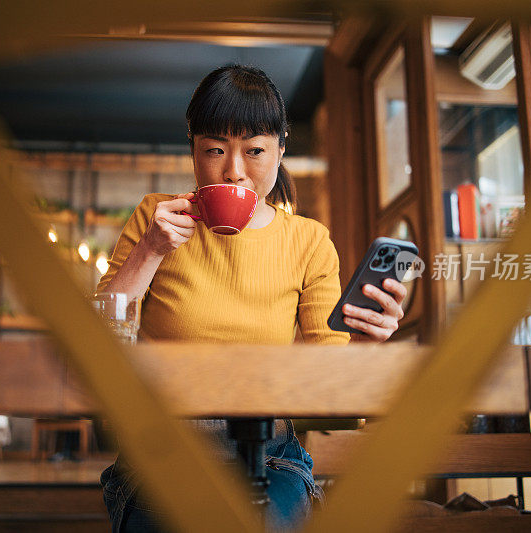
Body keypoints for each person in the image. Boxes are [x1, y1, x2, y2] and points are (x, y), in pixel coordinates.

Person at [97, 64, 408, 532]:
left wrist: (366, 343)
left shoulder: (308, 242)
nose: (234, 171)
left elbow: (332, 398)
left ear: (282, 149)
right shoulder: (154, 219)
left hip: (273, 456)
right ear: (193, 151)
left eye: (255, 151)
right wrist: (150, 251)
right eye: (214, 150)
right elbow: (100, 341)